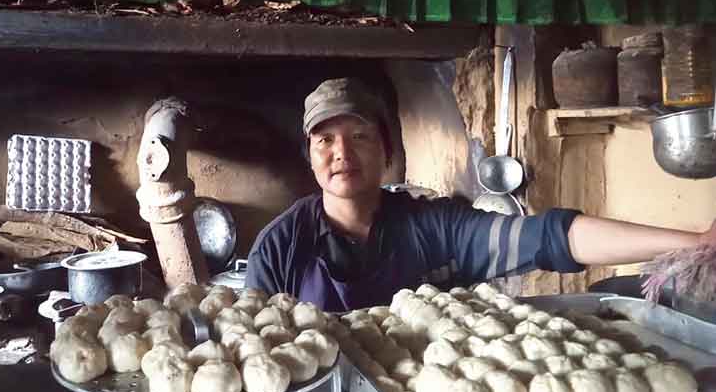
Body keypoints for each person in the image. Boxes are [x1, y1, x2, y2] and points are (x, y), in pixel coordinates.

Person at [244, 77, 716, 312]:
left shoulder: (433, 225)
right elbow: (254, 342)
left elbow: (551, 237)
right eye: (325, 140)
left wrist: (692, 241)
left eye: (360, 136)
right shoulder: (281, 246)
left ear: (387, 149)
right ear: (309, 155)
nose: (342, 152)